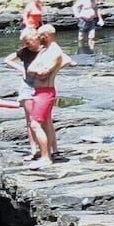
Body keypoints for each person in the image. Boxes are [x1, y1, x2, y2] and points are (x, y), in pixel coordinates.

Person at [24, 25, 74, 168]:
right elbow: (30, 69)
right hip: (39, 91)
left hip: (46, 92)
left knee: (34, 124)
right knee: (45, 123)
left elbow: (43, 73)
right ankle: (48, 154)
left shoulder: (55, 51)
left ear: (47, 35)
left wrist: (40, 70)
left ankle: (45, 157)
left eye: (40, 35)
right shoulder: (44, 51)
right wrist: (38, 69)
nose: (38, 38)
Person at [2, 29, 43, 160]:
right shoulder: (25, 52)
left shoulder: (45, 50)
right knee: (30, 120)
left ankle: (47, 149)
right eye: (25, 43)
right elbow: (7, 60)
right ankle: (33, 150)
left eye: (28, 42)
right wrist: (21, 68)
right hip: (27, 86)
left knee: (43, 119)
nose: (27, 44)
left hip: (42, 86)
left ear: (36, 38)